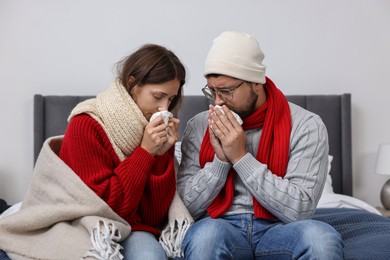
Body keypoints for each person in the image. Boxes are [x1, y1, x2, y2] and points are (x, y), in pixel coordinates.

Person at [0, 44, 190, 260]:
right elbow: (107, 206)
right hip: (86, 221)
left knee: (151, 256)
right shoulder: (86, 124)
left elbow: (153, 216)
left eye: (171, 99)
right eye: (158, 96)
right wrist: (145, 153)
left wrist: (160, 156)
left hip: (134, 228)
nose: (164, 108)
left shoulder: (155, 133)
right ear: (132, 83)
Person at [176, 31, 344, 259]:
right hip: (220, 224)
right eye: (212, 91)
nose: (217, 101)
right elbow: (186, 209)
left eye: (226, 91)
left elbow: (300, 210)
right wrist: (221, 161)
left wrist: (241, 158)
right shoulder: (198, 126)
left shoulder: (306, 125)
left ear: (256, 82)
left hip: (280, 228)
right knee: (204, 237)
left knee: (320, 238)